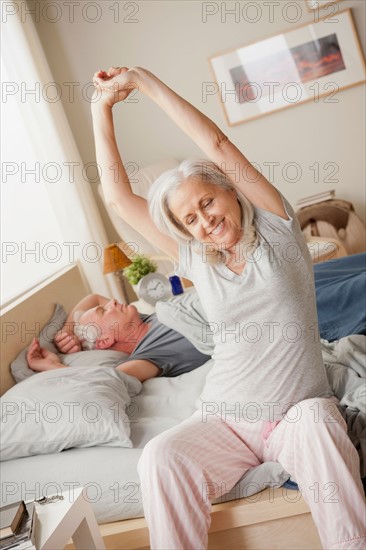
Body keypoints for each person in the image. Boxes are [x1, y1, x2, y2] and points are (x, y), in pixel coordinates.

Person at [91, 66, 366, 549]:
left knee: (322, 425)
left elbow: (217, 144)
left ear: (232, 191)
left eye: (209, 202)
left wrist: (145, 83)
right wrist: (101, 108)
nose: (206, 220)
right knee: (160, 456)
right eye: (191, 218)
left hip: (295, 415)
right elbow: (116, 199)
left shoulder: (278, 232)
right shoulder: (197, 257)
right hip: (224, 419)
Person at [26, 293, 211, 382]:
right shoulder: (149, 356)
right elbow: (105, 379)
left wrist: (67, 332)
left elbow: (93, 298)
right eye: (104, 311)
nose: (112, 302)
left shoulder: (145, 320)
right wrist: (54, 367)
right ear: (105, 340)